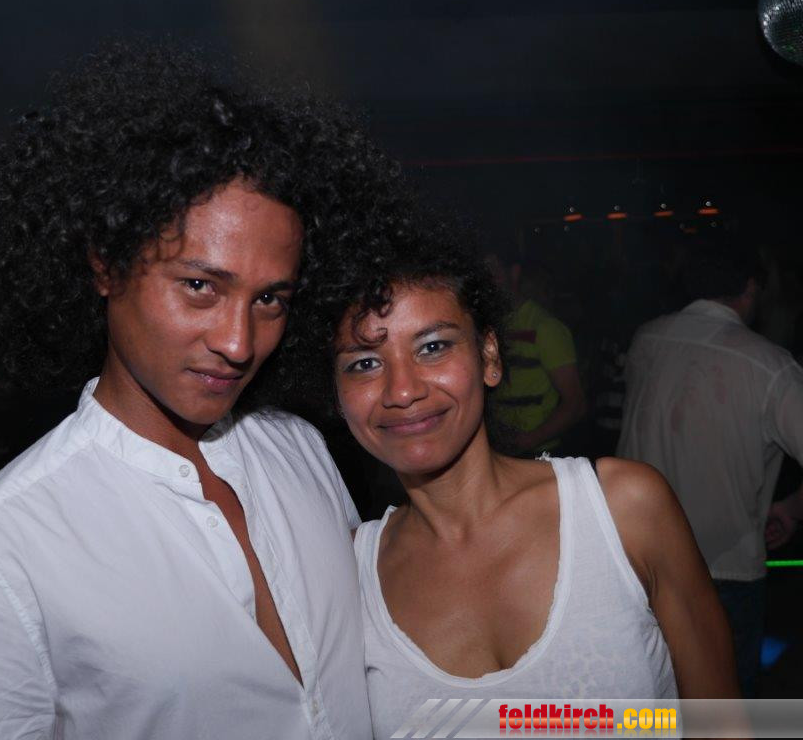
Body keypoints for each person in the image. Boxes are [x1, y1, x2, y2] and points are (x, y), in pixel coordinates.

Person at [0, 41, 403, 739]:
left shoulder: (300, 451)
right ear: (105, 265)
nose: (239, 342)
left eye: (270, 299)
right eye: (200, 286)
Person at [281, 222, 738, 738]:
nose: (402, 390)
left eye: (432, 347)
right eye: (365, 363)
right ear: (338, 396)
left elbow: (724, 726)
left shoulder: (623, 509)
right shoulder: (349, 577)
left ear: (490, 357)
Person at [617, 237, 803, 698]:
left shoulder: (646, 339)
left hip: (637, 564)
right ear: (751, 287)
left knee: (657, 703)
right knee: (724, 708)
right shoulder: (769, 365)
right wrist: (794, 507)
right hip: (723, 572)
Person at [486, 239, 587, 456]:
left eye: (494, 270)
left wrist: (526, 441)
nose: (488, 280)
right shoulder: (486, 326)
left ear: (514, 273)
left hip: (539, 454)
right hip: (498, 453)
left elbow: (575, 404)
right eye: (483, 272)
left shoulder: (545, 327)